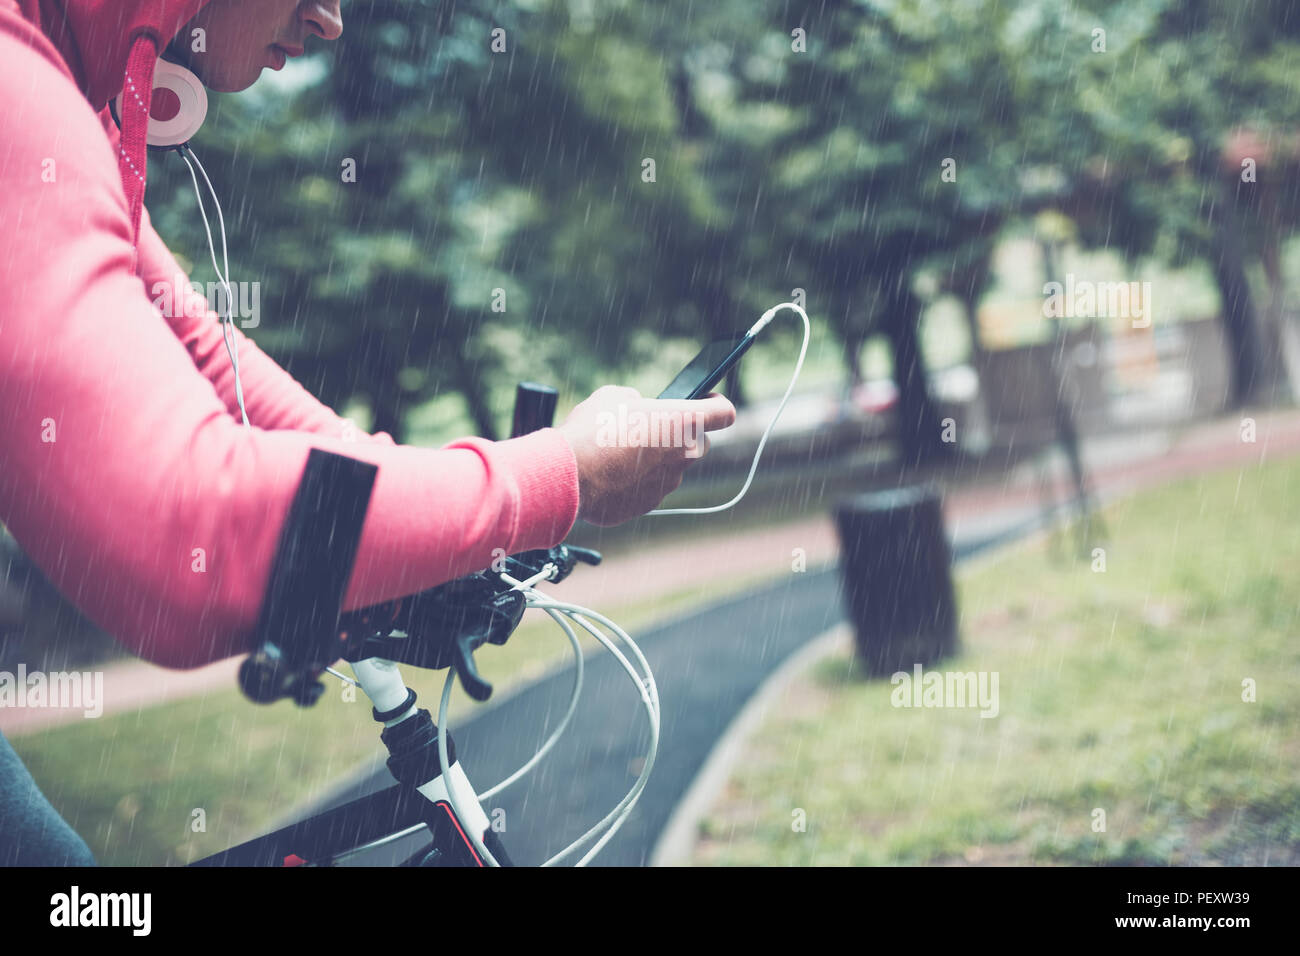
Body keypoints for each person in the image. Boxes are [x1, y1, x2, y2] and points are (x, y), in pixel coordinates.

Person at [0, 0, 735, 864]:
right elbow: (186, 542)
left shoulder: (72, 90)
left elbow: (212, 370)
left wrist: (447, 520)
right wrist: (556, 476)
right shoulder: (17, 94)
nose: (330, 20)